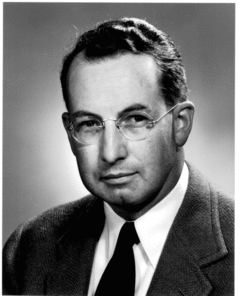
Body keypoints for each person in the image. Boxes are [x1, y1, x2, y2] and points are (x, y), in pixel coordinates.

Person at [3, 17, 234, 296]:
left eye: (135, 119)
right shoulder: (28, 251)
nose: (111, 153)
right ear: (70, 131)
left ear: (180, 124)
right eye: (89, 124)